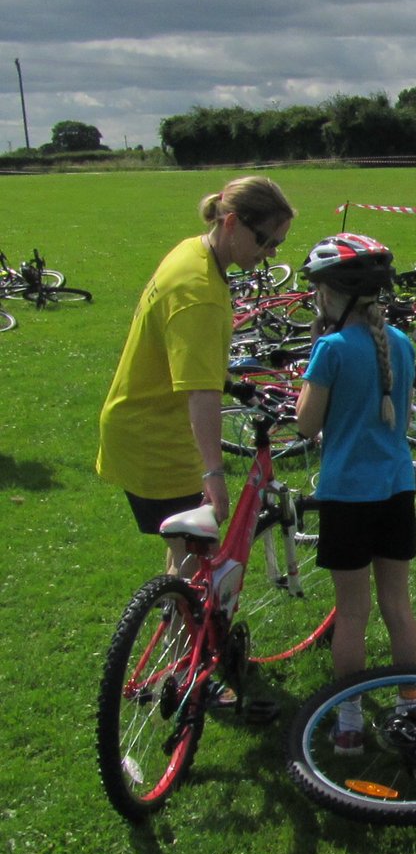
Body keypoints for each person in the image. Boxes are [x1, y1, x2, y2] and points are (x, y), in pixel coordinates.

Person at [96, 175, 295, 574]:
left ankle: (173, 609)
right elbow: (200, 394)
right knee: (201, 561)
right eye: (265, 241)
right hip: (156, 439)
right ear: (232, 222)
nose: (271, 253)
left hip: (148, 426)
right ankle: (176, 615)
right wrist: (214, 475)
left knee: (187, 559)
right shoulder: (198, 291)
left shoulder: (193, 252)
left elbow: (185, 356)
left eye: (279, 244)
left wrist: (231, 383)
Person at [294, 233, 416, 754]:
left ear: (331, 295)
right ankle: (412, 709)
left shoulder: (330, 349)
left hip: (347, 494)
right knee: (398, 605)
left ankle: (350, 719)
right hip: (396, 488)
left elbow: (306, 425)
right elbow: (399, 414)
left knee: (352, 613)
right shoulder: (402, 344)